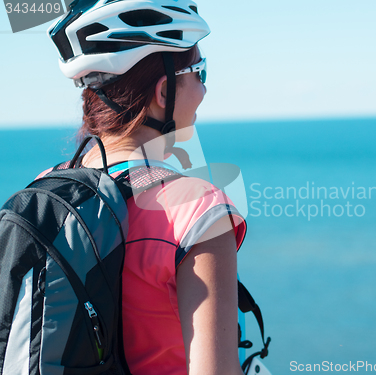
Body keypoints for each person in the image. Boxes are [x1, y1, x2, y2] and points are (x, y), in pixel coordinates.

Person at [44, 0, 248, 374]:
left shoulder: (45, 192)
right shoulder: (199, 212)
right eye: (199, 72)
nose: (204, 90)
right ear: (163, 92)